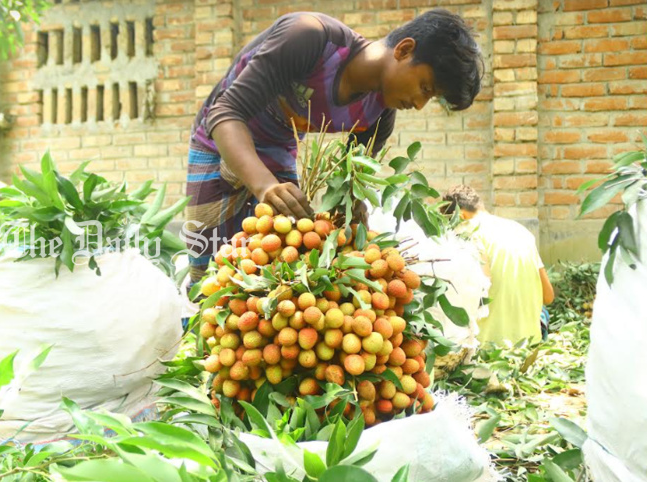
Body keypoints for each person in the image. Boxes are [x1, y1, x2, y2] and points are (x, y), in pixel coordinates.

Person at [184, 9, 484, 282]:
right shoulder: (310, 38)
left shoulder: (378, 115)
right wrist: (265, 186)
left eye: (429, 98)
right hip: (219, 143)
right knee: (208, 277)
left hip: (277, 157)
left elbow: (347, 187)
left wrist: (352, 213)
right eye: (425, 88)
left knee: (279, 277)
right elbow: (225, 113)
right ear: (404, 50)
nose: (419, 104)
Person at [441, 185, 555, 346]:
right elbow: (548, 296)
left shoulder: (466, 232)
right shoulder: (521, 231)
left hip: (490, 347)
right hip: (531, 343)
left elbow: (478, 293)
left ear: (460, 215)